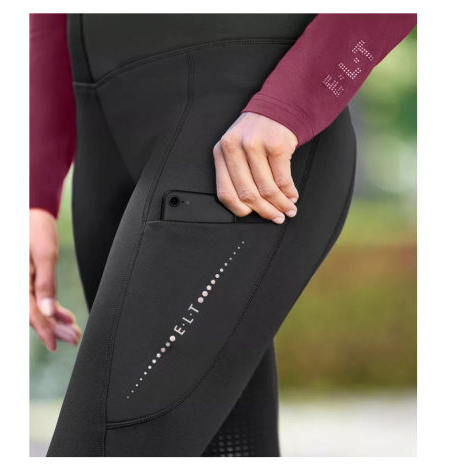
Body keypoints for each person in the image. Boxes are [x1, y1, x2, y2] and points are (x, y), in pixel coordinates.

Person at [30, 13, 417, 457]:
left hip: (246, 122)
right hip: (103, 128)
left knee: (106, 443)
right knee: (225, 449)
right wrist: (34, 195)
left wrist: (294, 100)